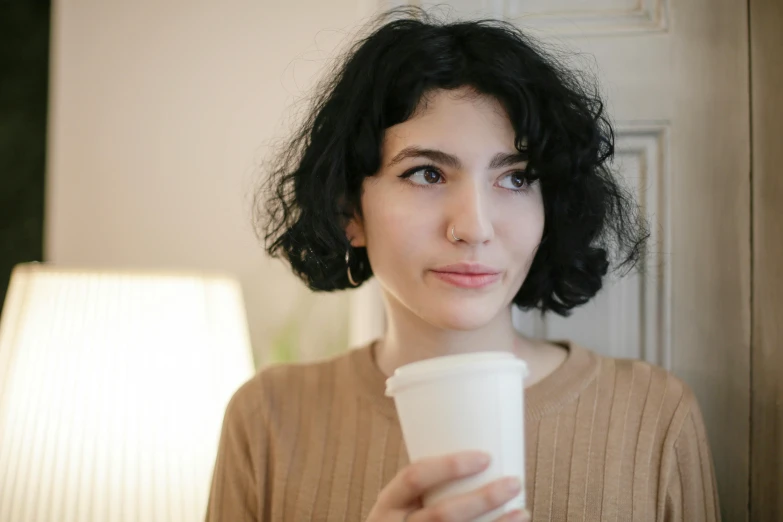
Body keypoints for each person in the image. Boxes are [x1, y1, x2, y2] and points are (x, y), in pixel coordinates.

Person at [205, 7, 720, 522]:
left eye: (516, 178)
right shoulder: (266, 419)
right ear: (349, 212)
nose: (474, 227)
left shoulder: (653, 415)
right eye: (427, 173)